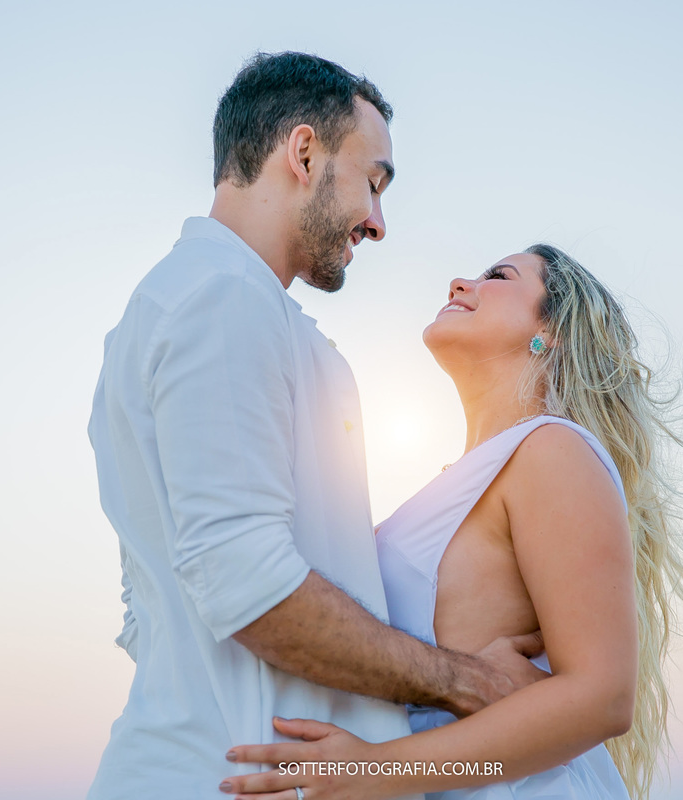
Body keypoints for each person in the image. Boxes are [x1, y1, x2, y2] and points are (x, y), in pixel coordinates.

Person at [85, 53, 547, 800]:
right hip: (228, 780)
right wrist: (465, 682)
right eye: (374, 181)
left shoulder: (220, 309)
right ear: (304, 153)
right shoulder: (220, 298)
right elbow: (245, 582)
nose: (379, 221)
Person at [221, 245, 683, 800]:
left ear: (552, 331)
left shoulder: (552, 450)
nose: (460, 282)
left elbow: (602, 696)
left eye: (499, 276)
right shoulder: (457, 482)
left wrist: (375, 771)